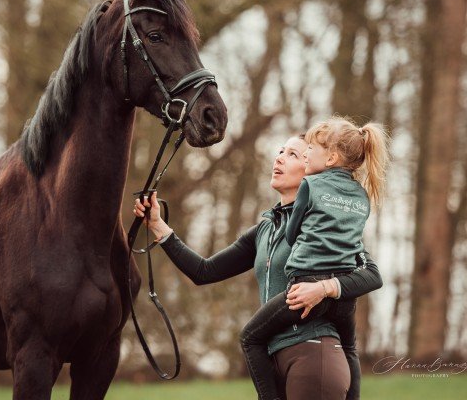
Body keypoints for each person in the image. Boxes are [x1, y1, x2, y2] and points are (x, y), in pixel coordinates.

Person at [133, 131, 384, 400]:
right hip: (273, 361)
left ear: (315, 169)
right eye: (280, 151)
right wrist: (159, 226)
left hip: (314, 357)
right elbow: (203, 271)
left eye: (293, 154)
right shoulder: (265, 229)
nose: (279, 159)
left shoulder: (324, 229)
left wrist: (324, 287)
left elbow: (370, 274)